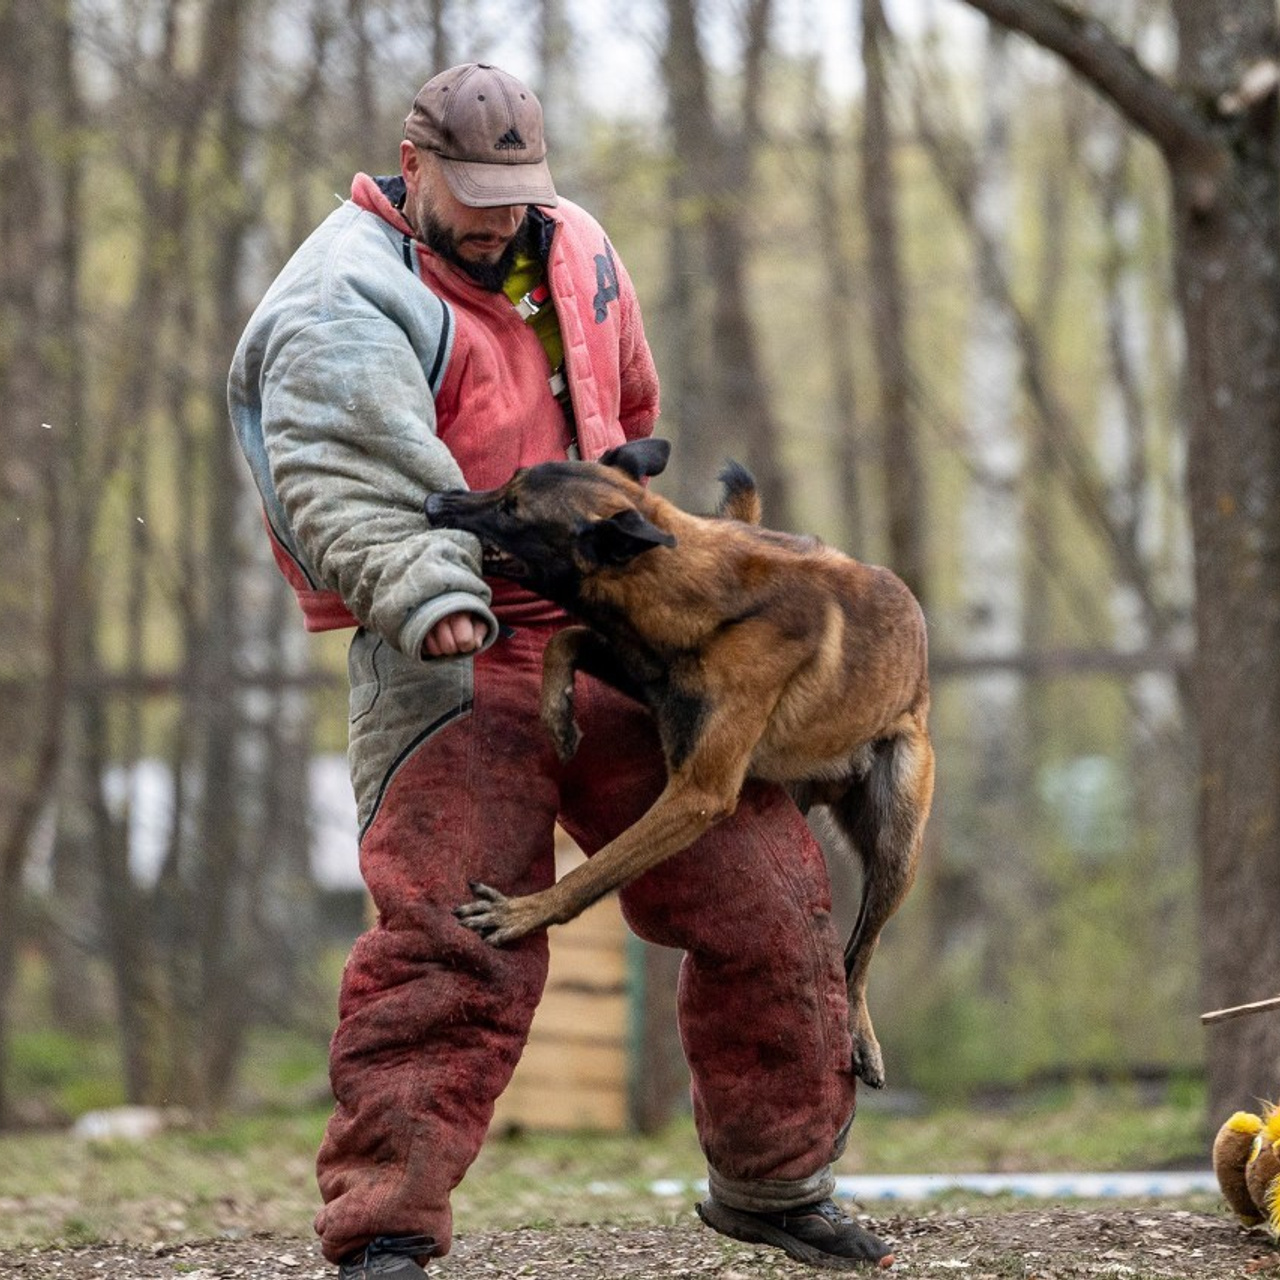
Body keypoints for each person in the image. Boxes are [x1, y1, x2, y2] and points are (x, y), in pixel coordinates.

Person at [228, 62, 893, 1277]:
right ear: (411, 162)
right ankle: (386, 1225)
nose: (497, 218)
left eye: (515, 191)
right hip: (450, 645)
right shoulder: (340, 297)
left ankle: (773, 1181)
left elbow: (622, 408)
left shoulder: (575, 244)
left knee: (765, 896)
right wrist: (430, 598)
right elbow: (338, 481)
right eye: (472, 193)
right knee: (449, 937)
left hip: (624, 634)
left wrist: (664, 559)